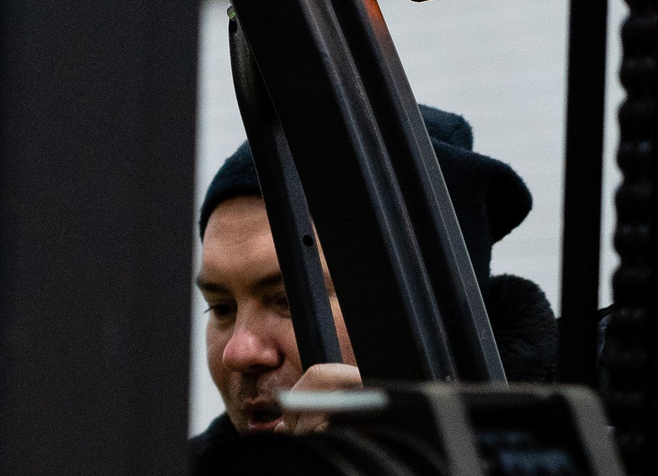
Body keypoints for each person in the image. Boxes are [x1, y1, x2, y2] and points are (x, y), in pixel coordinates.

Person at [195, 104, 556, 446]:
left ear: (425, 305)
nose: (238, 353)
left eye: (290, 301)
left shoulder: (581, 450)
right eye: (222, 308)